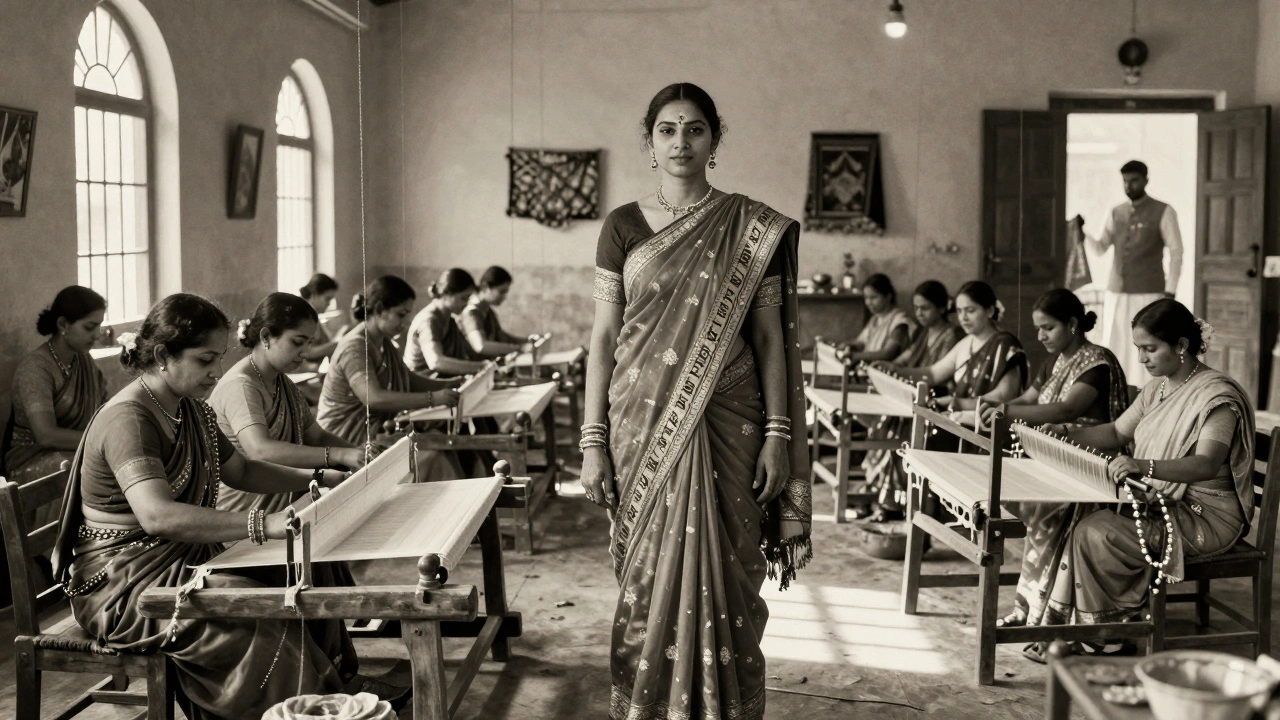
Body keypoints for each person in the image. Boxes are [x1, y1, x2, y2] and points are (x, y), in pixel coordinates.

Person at [50, 293, 404, 719]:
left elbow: (243, 471)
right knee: (250, 609)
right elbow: (157, 516)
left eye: (219, 358)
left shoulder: (188, 409)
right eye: (205, 360)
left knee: (302, 567)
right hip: (124, 583)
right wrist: (263, 524)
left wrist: (320, 478)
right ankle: (297, 708)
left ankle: (335, 690)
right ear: (163, 355)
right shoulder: (130, 419)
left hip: (179, 560)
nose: (217, 372)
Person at [580, 82, 809, 720]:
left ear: (715, 138)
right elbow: (603, 337)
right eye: (668, 130)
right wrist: (593, 442)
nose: (681, 142)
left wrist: (779, 434)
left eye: (695, 129)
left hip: (732, 423)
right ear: (650, 143)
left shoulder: (750, 225)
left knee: (730, 567)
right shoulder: (622, 226)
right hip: (639, 421)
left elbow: (768, 339)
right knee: (650, 575)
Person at [1022, 299, 1253, 661]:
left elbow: (1206, 464)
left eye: (1151, 349)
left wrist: (1142, 467)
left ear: (1181, 346)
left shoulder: (1215, 397)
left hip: (1205, 516)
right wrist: (1063, 432)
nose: (1143, 359)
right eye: (1139, 349)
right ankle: (1085, 623)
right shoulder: (1158, 388)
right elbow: (1115, 431)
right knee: (1078, 516)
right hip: (1165, 501)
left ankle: (1108, 633)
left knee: (1096, 531)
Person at [976, 288, 1129, 630]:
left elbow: (1067, 409)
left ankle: (1058, 614)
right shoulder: (1054, 361)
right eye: (1038, 329)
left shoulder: (1097, 363)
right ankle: (1031, 607)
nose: (1041, 336)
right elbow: (1029, 398)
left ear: (1072, 324)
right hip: (1057, 459)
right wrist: (989, 405)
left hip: (1089, 465)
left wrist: (1006, 411)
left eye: (1048, 328)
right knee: (1033, 504)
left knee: (1050, 507)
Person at [209, 292, 367, 513]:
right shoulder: (241, 387)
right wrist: (338, 455)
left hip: (287, 509)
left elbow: (317, 436)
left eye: (309, 343)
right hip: (249, 518)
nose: (306, 352)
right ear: (266, 337)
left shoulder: (282, 383)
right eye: (297, 342)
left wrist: (361, 454)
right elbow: (260, 451)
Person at [315, 275, 463, 480]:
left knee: (442, 442)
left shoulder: (383, 343)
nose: (405, 322)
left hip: (374, 432)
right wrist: (433, 399)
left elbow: (407, 379)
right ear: (378, 310)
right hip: (346, 440)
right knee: (432, 456)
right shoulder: (355, 347)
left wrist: (450, 384)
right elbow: (373, 399)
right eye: (401, 315)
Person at [862, 280, 965, 522]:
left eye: (925, 308)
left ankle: (895, 501)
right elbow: (907, 357)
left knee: (899, 436)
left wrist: (899, 371)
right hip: (911, 394)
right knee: (883, 428)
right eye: (916, 308)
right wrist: (889, 367)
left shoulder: (955, 336)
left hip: (935, 399)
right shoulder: (921, 332)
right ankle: (883, 496)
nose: (919, 314)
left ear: (942, 308)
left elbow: (938, 375)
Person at [1080, 160, 1184, 385]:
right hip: (1116, 291)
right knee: (1116, 342)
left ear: (1146, 180)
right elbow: (1100, 248)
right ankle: (1115, 389)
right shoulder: (1116, 212)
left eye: (1134, 180)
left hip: (1149, 292)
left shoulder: (1163, 211)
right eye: (1125, 181)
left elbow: (1176, 252)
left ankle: (1148, 391)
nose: (1129, 186)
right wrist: (1081, 232)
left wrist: (1170, 291)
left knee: (1148, 342)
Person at [890, 280, 1027, 420]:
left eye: (970, 310)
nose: (963, 318)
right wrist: (894, 370)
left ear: (990, 311)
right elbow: (933, 374)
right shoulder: (966, 343)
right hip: (959, 424)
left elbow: (1004, 395)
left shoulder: (1006, 345)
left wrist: (959, 403)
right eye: (960, 311)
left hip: (989, 427)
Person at [403, 269, 490, 376]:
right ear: (446, 293)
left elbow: (467, 354)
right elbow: (436, 362)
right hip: (420, 382)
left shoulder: (450, 319)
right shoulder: (429, 320)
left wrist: (491, 365)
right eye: (463, 298)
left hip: (441, 380)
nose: (466, 304)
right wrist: (480, 367)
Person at [459, 266, 533, 358]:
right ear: (486, 287)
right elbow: (481, 346)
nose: (504, 297)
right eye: (501, 292)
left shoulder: (487, 310)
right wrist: (519, 348)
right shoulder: (471, 313)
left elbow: (501, 336)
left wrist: (528, 341)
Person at [839, 273, 914, 364]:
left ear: (888, 297)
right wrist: (849, 345)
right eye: (866, 298)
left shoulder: (899, 321)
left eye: (873, 297)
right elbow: (862, 342)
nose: (869, 302)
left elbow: (888, 353)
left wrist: (855, 356)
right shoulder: (875, 319)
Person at [298, 273, 347, 366]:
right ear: (314, 294)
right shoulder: (301, 315)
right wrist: (336, 344)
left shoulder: (313, 315)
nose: (329, 304)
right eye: (327, 299)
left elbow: (325, 341)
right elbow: (305, 352)